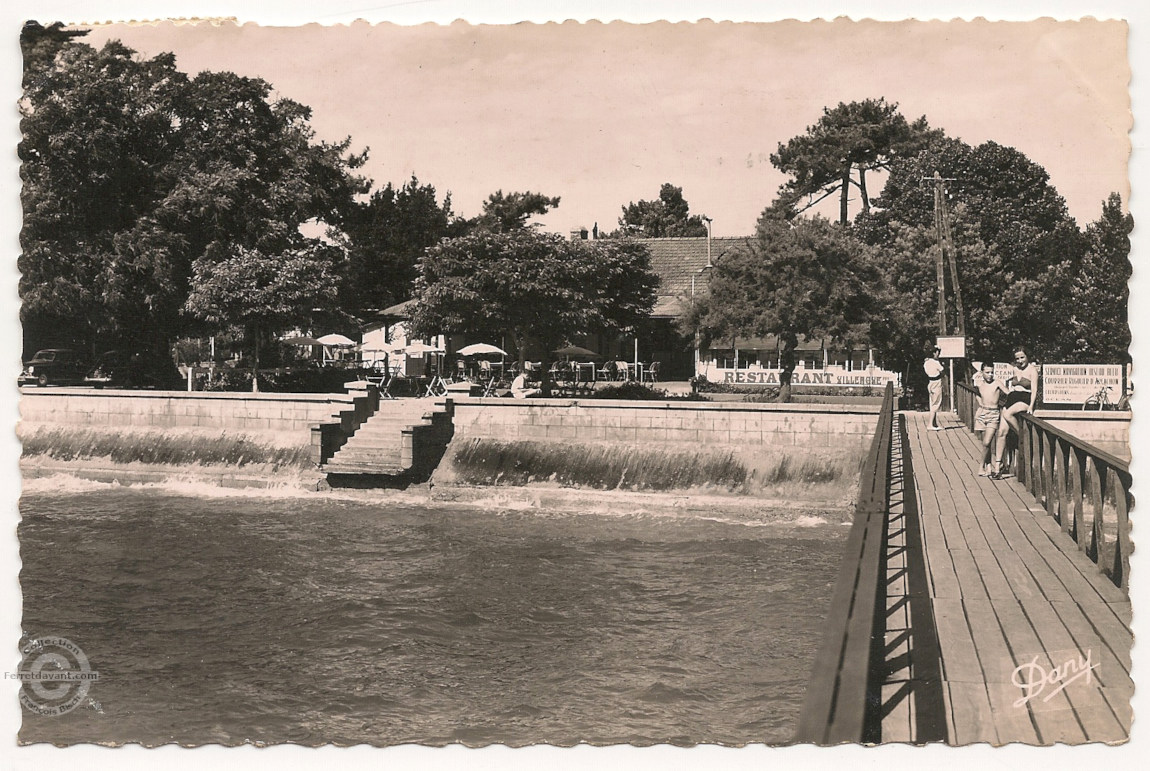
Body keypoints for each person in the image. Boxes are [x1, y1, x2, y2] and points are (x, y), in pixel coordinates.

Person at [993, 346, 1039, 480]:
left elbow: (1035, 390)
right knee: (1001, 432)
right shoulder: (1014, 369)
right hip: (1013, 397)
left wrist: (1031, 406)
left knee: (1007, 415)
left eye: (1022, 357)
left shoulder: (1032, 371)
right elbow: (1011, 387)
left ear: (1027, 356)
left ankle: (1023, 437)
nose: (1020, 361)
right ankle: (997, 466)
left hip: (1025, 399)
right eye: (1017, 358)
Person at [972, 360, 1007, 477]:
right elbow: (976, 393)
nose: (990, 375)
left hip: (993, 414)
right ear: (982, 372)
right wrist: (980, 404)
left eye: (992, 372)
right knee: (985, 443)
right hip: (982, 413)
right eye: (987, 372)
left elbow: (1008, 393)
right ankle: (988, 465)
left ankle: (980, 466)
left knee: (987, 442)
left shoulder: (997, 382)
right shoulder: (979, 384)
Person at [923, 345, 945, 430]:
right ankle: (930, 424)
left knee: (932, 402)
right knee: (935, 404)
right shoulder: (936, 363)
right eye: (937, 352)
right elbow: (942, 371)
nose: (938, 354)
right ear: (934, 353)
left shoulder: (926, 362)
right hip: (936, 383)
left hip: (930, 383)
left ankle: (934, 423)